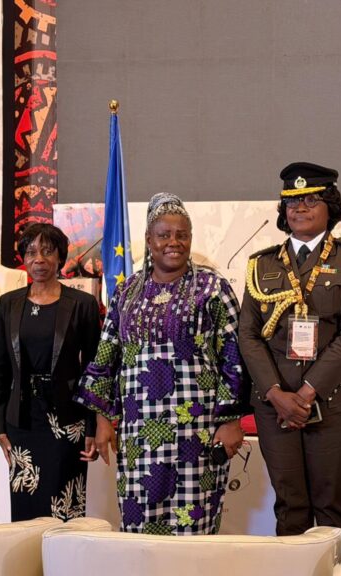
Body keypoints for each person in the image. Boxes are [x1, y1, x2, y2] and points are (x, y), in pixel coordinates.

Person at [76, 193, 247, 535]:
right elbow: (106, 355)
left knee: (193, 531)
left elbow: (235, 356)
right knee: (140, 531)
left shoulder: (213, 289)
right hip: (138, 436)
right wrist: (102, 417)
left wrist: (231, 420)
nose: (174, 242)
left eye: (182, 235)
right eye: (164, 235)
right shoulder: (126, 293)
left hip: (197, 434)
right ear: (149, 241)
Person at [239, 162, 341, 552]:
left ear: (330, 206)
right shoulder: (261, 263)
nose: (299, 208)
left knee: (333, 506)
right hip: (275, 405)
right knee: (290, 506)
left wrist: (310, 390)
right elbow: (247, 333)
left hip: (330, 403)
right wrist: (276, 393)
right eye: (292, 201)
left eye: (310, 199)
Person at [0, 223, 101, 521]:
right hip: (22, 420)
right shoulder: (8, 304)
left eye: (48, 252)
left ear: (60, 257)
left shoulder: (82, 304)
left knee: (66, 506)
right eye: (31, 252)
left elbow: (94, 371)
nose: (39, 259)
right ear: (23, 259)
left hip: (68, 421)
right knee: (25, 506)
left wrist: (92, 426)